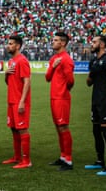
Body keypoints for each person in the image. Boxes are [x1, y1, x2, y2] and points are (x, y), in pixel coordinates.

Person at [85, 36, 106, 176]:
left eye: (94, 42)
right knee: (96, 131)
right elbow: (88, 83)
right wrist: (91, 73)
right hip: (95, 101)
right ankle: (99, 161)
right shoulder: (93, 60)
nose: (91, 44)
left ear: (102, 44)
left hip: (105, 101)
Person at [45, 32, 75, 171]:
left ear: (63, 43)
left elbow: (70, 81)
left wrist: (63, 91)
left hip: (61, 97)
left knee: (63, 127)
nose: (53, 42)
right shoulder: (54, 59)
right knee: (58, 128)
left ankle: (68, 161)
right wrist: (53, 66)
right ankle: (63, 156)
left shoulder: (66, 59)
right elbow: (47, 77)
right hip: (54, 97)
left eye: (56, 40)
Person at [3, 35, 32, 169]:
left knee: (22, 129)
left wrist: (22, 101)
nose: (8, 46)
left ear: (18, 46)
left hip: (19, 101)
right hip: (11, 100)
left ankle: (27, 161)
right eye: (8, 43)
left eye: (11, 44)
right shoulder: (11, 61)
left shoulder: (22, 61)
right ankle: (17, 157)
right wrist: (6, 74)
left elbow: (27, 81)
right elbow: (8, 82)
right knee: (14, 129)